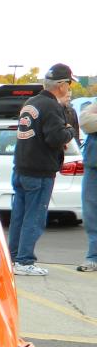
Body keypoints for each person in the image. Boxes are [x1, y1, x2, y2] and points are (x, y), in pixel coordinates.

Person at [7, 63, 76, 277]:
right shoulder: (51, 106)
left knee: (19, 215)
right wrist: (70, 130)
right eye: (69, 83)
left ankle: (14, 257)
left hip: (21, 167)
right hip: (39, 170)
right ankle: (25, 261)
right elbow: (55, 137)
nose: (69, 87)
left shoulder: (31, 102)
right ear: (62, 85)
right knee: (35, 217)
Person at [79, 101, 97, 272]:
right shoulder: (94, 103)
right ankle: (93, 257)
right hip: (93, 167)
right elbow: (85, 121)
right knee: (91, 215)